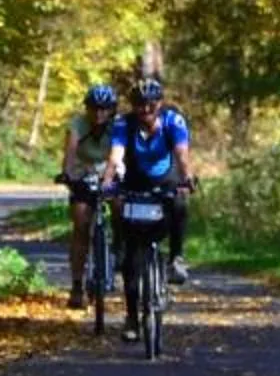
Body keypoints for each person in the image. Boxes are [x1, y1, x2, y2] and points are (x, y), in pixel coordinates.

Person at [100, 74, 196, 285]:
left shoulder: (173, 121)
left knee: (179, 204)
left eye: (150, 104)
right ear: (133, 106)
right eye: (139, 105)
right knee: (117, 203)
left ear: (159, 103)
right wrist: (107, 180)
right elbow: (116, 155)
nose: (145, 109)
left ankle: (176, 257)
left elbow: (182, 154)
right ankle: (120, 245)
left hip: (166, 177)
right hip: (135, 176)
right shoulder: (124, 123)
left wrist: (187, 178)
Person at [57, 81, 123, 308]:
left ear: (112, 110)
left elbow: (118, 154)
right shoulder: (78, 123)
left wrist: (111, 176)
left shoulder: (118, 126)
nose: (99, 113)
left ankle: (119, 244)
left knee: (119, 206)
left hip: (110, 171)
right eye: (94, 108)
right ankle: (77, 285)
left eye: (104, 108)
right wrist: (67, 173)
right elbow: (71, 151)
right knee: (81, 222)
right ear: (87, 108)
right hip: (83, 172)